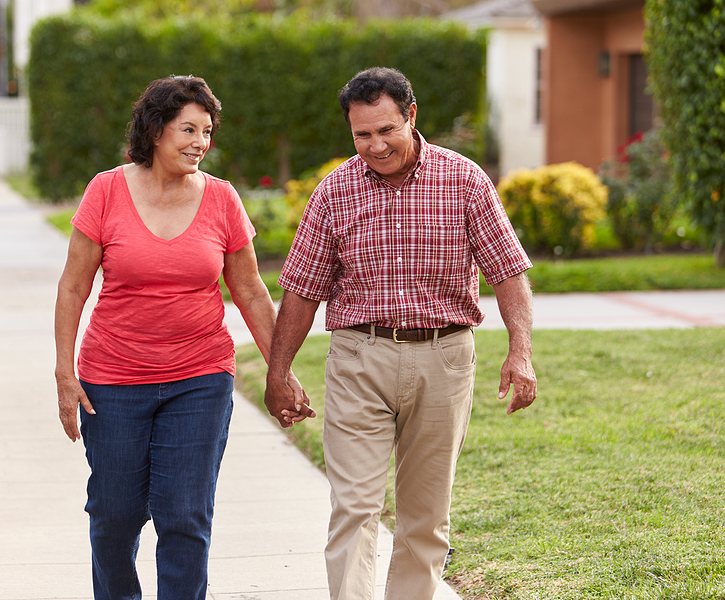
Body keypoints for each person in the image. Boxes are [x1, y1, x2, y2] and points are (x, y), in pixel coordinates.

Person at [264, 67, 537, 600]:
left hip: (444, 357)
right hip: (358, 357)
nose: (375, 146)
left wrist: (520, 353)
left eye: (386, 130)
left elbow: (508, 273)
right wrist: (279, 371)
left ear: (412, 117)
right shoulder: (335, 191)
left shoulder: (464, 179)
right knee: (354, 507)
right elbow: (301, 289)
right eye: (362, 135)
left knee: (425, 517)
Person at [54, 75, 313, 600]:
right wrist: (64, 372)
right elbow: (73, 285)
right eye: (188, 129)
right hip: (113, 379)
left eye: (208, 131)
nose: (201, 142)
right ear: (155, 130)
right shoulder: (106, 190)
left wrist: (280, 372)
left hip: (199, 378)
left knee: (185, 516)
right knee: (115, 515)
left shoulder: (220, 199)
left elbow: (251, 291)